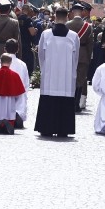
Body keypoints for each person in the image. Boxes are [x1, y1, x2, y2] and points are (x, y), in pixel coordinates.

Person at [34, 7, 80, 137]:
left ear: (54, 16)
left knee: (48, 100)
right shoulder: (73, 36)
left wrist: (44, 70)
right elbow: (76, 58)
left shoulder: (46, 34)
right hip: (66, 76)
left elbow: (40, 55)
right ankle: (63, 128)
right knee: (65, 101)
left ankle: (46, 127)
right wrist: (72, 72)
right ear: (67, 17)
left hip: (50, 75)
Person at [67, 2, 93, 112]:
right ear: (82, 12)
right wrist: (88, 57)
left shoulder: (67, 25)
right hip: (82, 54)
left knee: (70, 79)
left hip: (70, 54)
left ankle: (69, 102)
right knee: (80, 80)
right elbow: (90, 44)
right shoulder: (88, 26)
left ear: (73, 12)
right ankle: (76, 104)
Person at [4, 38, 30, 128]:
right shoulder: (22, 64)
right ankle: (17, 114)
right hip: (18, 94)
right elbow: (26, 83)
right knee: (20, 100)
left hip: (2, 94)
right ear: (18, 49)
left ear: (5, 49)